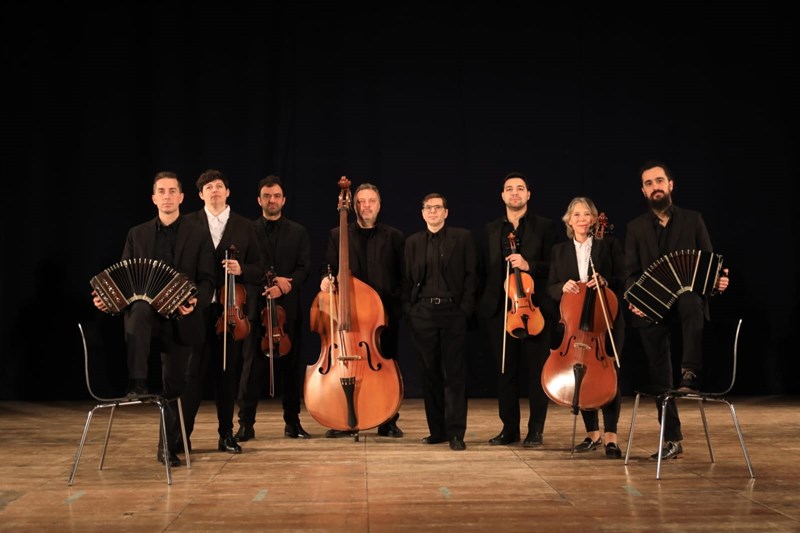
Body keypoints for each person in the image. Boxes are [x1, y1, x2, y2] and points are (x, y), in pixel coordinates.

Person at [91, 171, 215, 467]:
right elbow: (124, 280)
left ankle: (166, 447)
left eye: (172, 191)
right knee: (140, 309)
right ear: (154, 198)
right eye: (162, 191)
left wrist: (195, 300)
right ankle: (137, 381)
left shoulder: (199, 234)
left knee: (176, 386)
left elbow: (208, 279)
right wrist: (107, 301)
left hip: (180, 318)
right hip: (146, 320)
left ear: (181, 197)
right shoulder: (137, 234)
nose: (167, 196)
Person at [625, 160, 729, 461]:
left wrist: (718, 281)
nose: (655, 187)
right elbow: (630, 274)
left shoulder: (693, 220)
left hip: (686, 305)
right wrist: (636, 300)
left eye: (659, 181)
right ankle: (672, 438)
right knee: (660, 376)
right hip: (653, 309)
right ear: (643, 191)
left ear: (670, 185)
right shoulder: (635, 228)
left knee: (690, 300)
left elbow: (709, 264)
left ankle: (690, 371)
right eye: (648, 183)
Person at [183, 169, 263, 455]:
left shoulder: (245, 226)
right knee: (191, 375)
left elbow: (260, 268)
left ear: (227, 192)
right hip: (196, 310)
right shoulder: (187, 224)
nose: (214, 190)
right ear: (200, 194)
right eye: (208, 187)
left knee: (227, 375)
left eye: (219, 186)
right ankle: (182, 436)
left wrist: (242, 270)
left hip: (230, 312)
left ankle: (226, 433)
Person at [477, 172, 558, 447]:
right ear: (502, 195)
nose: (515, 193)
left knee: (537, 373)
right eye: (509, 189)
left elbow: (555, 266)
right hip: (501, 310)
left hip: (534, 310)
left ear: (528, 194)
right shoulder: (490, 229)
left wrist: (529, 265)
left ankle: (536, 430)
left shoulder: (545, 227)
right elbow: (484, 270)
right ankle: (509, 429)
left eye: (520, 188)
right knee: (505, 373)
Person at [319, 182, 406, 438]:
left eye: (371, 201)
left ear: (379, 205)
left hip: (382, 316)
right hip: (348, 313)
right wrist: (325, 280)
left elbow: (404, 275)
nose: (365, 206)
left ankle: (387, 419)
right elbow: (328, 269)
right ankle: (342, 418)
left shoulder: (394, 236)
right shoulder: (338, 234)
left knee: (385, 368)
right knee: (344, 364)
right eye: (360, 201)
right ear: (353, 205)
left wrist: (394, 304)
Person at [546, 197, 626, 459]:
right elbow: (550, 287)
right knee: (581, 371)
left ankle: (611, 437)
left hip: (605, 320)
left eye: (586, 214)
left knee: (608, 374)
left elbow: (624, 278)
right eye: (576, 215)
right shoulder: (559, 251)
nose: (581, 219)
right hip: (575, 324)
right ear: (569, 221)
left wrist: (605, 280)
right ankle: (592, 433)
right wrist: (562, 287)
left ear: (594, 220)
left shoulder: (608, 245)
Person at [234, 175, 312, 442]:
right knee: (251, 368)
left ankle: (293, 422)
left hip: (287, 309)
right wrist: (267, 281)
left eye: (276, 196)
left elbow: (304, 268)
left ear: (284, 200)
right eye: (267, 196)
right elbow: (244, 267)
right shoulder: (247, 230)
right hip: (255, 306)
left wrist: (285, 286)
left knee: (291, 367)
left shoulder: (298, 232)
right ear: (259, 200)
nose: (272, 200)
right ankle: (245, 424)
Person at [403, 193, 476, 451]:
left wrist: (464, 310)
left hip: (453, 312)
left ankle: (456, 433)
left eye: (437, 207)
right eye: (428, 208)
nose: (433, 211)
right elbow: (406, 279)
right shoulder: (412, 242)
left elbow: (471, 276)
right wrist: (410, 310)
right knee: (429, 374)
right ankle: (437, 431)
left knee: (454, 375)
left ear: (446, 212)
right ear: (422, 213)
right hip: (423, 314)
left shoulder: (463, 238)